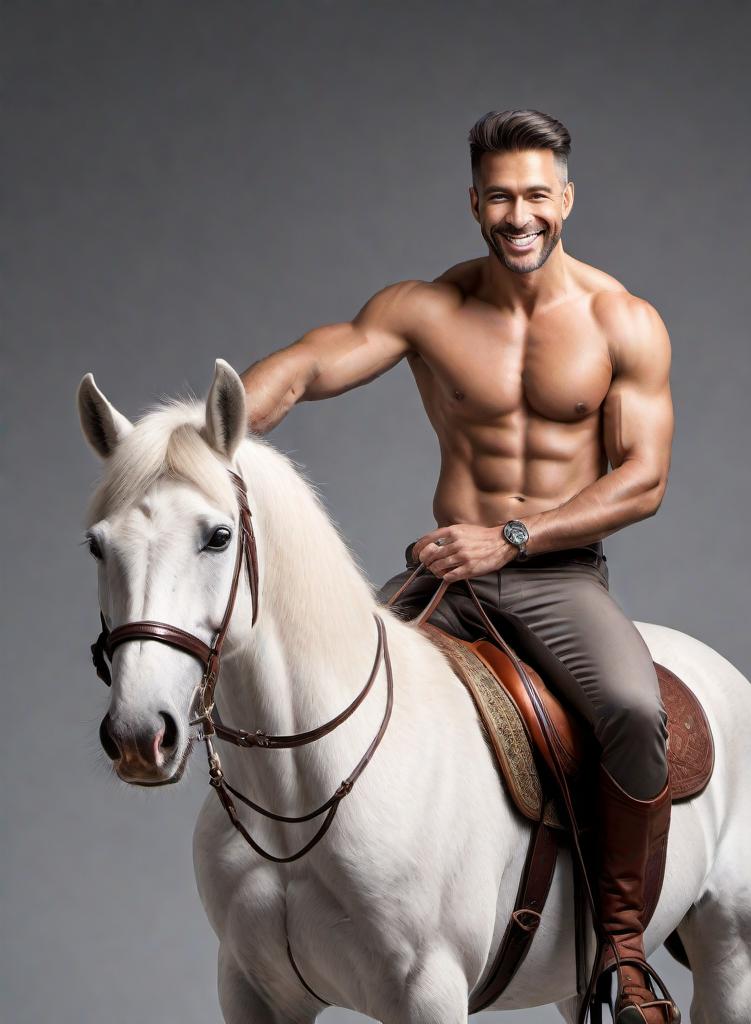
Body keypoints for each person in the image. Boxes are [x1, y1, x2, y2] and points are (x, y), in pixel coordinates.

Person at [240, 109, 678, 1023]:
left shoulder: (621, 320)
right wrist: (216, 429)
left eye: (535, 195)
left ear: (565, 197)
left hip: (554, 576)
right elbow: (315, 365)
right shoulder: (425, 309)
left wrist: (516, 537)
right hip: (447, 572)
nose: (519, 216)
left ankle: (625, 953)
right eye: (499, 197)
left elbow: (642, 480)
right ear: (474, 201)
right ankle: (298, 911)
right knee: (309, 689)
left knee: (635, 711)